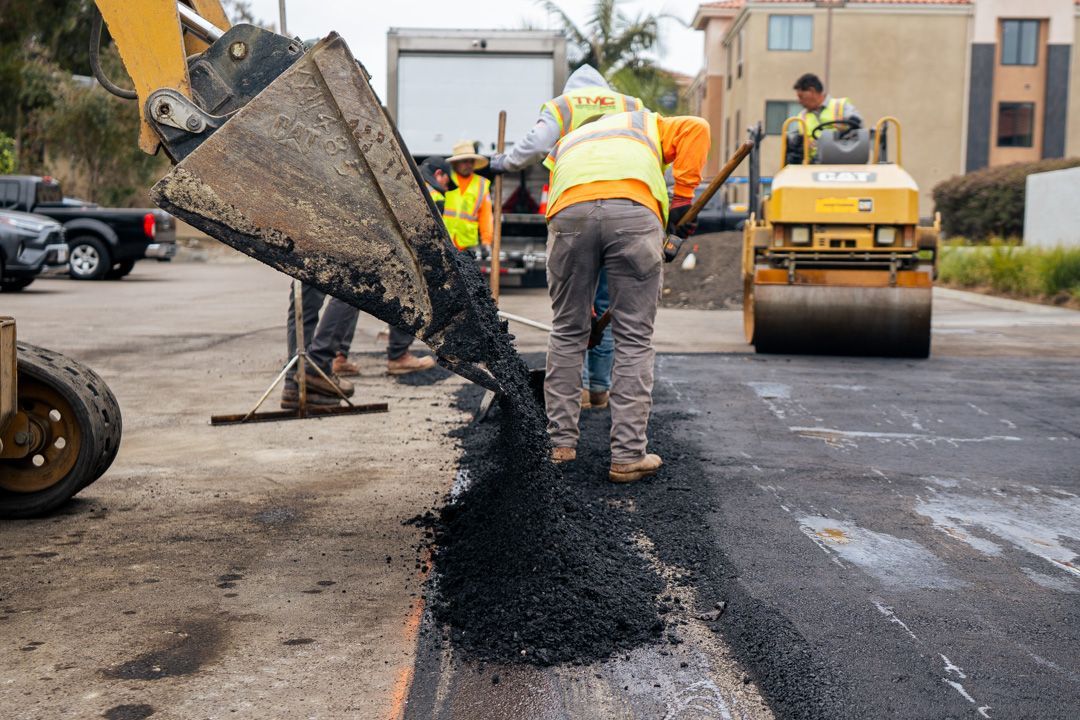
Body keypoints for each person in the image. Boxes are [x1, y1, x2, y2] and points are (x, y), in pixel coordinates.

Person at [541, 109, 709, 482]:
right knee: (633, 338)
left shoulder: (567, 142)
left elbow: (566, 199)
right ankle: (628, 455)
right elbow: (697, 128)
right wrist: (683, 197)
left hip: (569, 215)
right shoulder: (645, 122)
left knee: (568, 331)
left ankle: (559, 444)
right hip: (633, 212)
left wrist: (583, 312)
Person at [489, 65, 645, 410]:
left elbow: (537, 143)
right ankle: (598, 388)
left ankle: (564, 413)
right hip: (628, 206)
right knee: (609, 305)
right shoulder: (631, 105)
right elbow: (655, 152)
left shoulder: (565, 105)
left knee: (571, 314)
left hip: (576, 206)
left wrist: (504, 163)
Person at [786, 73, 863, 165]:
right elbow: (797, 144)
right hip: (814, 165)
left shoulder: (840, 106)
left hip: (843, 161)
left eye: (801, 96)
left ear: (812, 91)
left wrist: (841, 134)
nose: (799, 101)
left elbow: (856, 122)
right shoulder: (801, 118)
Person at [443, 141, 493, 253]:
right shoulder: (444, 179)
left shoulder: (481, 184)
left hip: (467, 245)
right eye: (465, 161)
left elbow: (486, 215)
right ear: (455, 163)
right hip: (444, 240)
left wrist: (486, 241)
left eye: (471, 161)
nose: (469, 165)